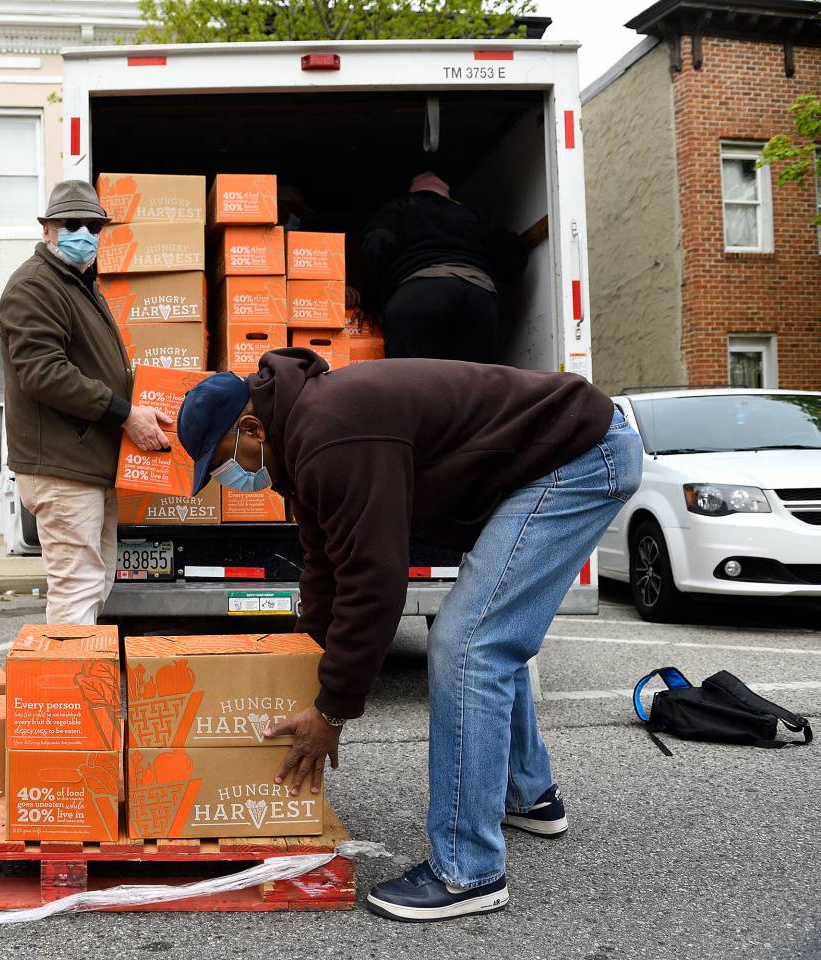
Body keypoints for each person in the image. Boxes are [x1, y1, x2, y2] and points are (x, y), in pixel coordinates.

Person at [175, 348, 642, 922]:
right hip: (557, 455)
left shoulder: (329, 434)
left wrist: (333, 711)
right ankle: (527, 793)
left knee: (469, 644)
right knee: (488, 631)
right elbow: (326, 567)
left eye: (221, 461)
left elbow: (375, 583)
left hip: (580, 457)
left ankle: (468, 871)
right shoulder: (302, 440)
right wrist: (303, 664)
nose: (227, 479)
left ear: (249, 428)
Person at [0, 180, 171, 625]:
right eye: (71, 224)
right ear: (48, 230)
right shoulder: (35, 287)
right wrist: (124, 413)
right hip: (61, 467)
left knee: (94, 585)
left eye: (93, 225)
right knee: (76, 590)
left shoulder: (77, 285)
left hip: (86, 464)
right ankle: (69, 692)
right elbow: (43, 373)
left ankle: (77, 688)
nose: (84, 234)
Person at [361, 171, 527, 363]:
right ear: (446, 194)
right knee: (476, 380)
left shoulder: (400, 206)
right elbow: (511, 256)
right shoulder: (471, 214)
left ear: (413, 191)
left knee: (415, 377)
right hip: (478, 297)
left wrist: (372, 301)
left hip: (418, 295)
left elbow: (376, 244)